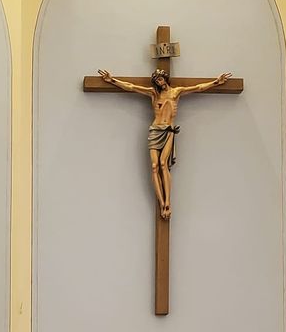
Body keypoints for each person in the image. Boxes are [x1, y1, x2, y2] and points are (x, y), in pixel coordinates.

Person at [97, 68, 231, 220]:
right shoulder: (154, 93)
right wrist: (112, 80)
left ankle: (168, 201)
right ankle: (162, 203)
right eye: (156, 81)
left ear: (165, 78)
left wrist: (216, 82)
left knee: (163, 164)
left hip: (168, 131)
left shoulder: (176, 92)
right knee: (154, 166)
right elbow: (132, 87)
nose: (159, 83)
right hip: (155, 130)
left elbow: (198, 88)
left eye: (160, 79)